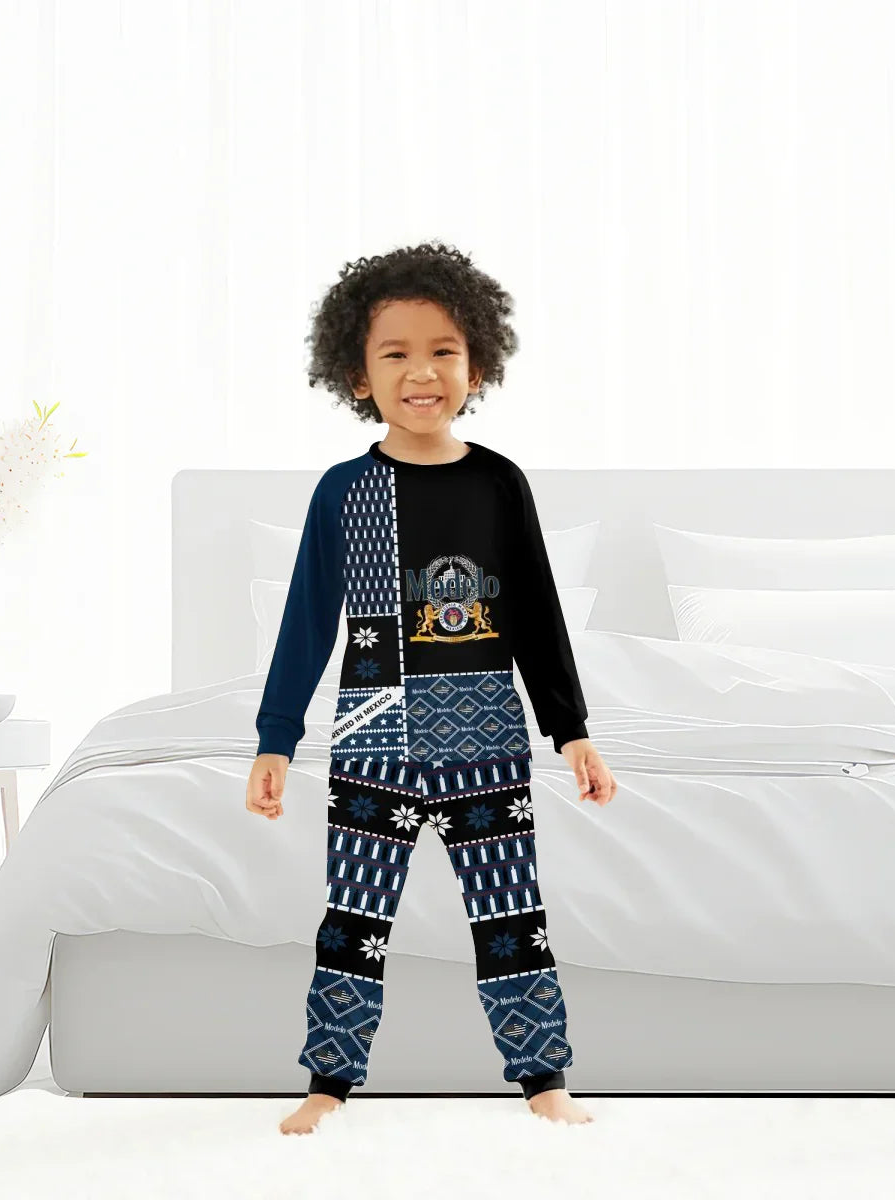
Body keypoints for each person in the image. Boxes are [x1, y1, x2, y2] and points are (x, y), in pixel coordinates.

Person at [245, 241, 617, 1135]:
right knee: (354, 914)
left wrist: (570, 730)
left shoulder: (497, 484)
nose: (422, 372)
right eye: (396, 354)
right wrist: (274, 736)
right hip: (372, 736)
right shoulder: (345, 492)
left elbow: (535, 611)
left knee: (510, 911)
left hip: (486, 734)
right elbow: (307, 620)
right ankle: (329, 1081)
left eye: (443, 350)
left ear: (478, 364)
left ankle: (544, 1079)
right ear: (356, 374)